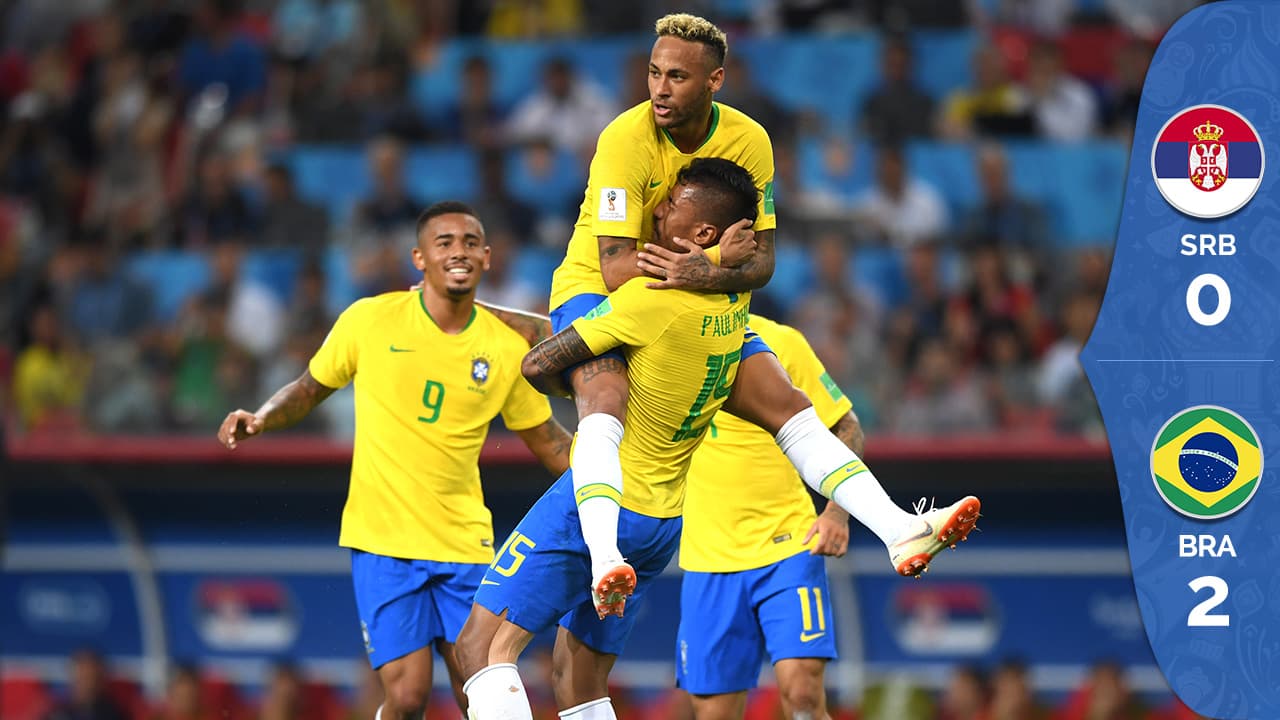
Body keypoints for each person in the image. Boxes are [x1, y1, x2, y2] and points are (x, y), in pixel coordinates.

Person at [479, 12, 979, 620]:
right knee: (605, 396)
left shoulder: (750, 142)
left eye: (678, 78)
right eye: (653, 73)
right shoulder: (623, 140)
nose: (660, 90)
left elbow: (762, 261)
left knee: (790, 407)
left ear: (715, 80)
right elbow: (614, 266)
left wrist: (708, 275)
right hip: (601, 291)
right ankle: (606, 553)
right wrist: (713, 258)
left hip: (706, 304)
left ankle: (900, 527)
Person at [216, 201, 573, 720]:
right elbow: (309, 388)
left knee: (482, 690)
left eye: (471, 243)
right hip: (383, 541)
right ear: (419, 258)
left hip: (464, 544)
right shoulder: (370, 320)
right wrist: (263, 418)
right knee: (406, 697)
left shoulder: (502, 346)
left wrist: (611, 487)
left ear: (488, 258)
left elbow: (549, 443)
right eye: (444, 243)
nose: (459, 252)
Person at [455, 157, 757, 720]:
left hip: (605, 501)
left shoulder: (649, 299)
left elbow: (543, 360)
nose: (656, 210)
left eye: (671, 206)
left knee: (481, 648)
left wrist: (577, 374)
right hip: (663, 520)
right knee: (578, 678)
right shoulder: (734, 310)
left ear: (703, 234)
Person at [676, 314, 857, 719]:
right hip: (708, 557)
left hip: (788, 546)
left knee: (803, 693)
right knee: (713, 714)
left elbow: (846, 426)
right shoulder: (661, 337)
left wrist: (835, 512)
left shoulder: (780, 341)